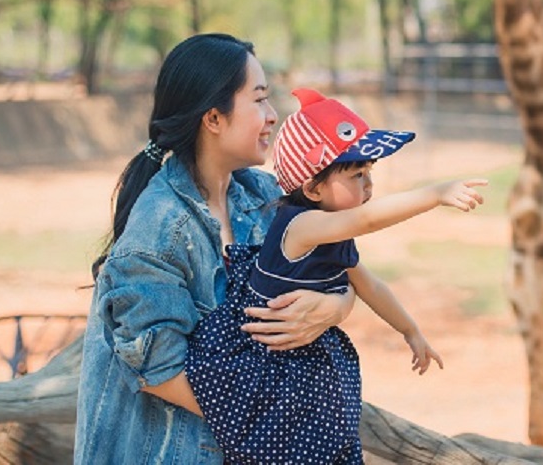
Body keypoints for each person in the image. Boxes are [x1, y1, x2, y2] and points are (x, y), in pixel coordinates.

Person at [75, 34, 356, 464]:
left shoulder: (262, 197)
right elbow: (160, 372)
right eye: (259, 100)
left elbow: (339, 271)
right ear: (213, 118)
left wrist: (333, 308)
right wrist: (282, 425)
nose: (273, 116)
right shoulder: (160, 232)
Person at [184, 87, 488, 464]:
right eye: (357, 174)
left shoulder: (332, 233)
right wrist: (435, 193)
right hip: (266, 375)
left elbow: (370, 285)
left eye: (368, 172)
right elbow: (367, 219)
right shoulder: (303, 225)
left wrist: (410, 330)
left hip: (303, 369)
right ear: (312, 188)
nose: (368, 185)